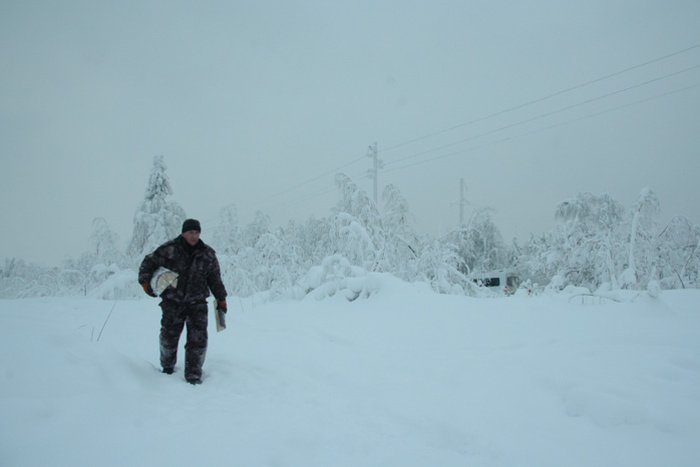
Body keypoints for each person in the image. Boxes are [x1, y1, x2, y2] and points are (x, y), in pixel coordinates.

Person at [139, 218, 227, 384]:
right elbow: (148, 264)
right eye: (190, 232)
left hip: (198, 303)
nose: (194, 236)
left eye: (196, 232)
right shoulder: (169, 249)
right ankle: (167, 367)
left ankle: (193, 374)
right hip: (173, 302)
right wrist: (146, 283)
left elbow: (215, 279)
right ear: (183, 233)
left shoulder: (207, 253)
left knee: (198, 340)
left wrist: (221, 298)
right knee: (168, 337)